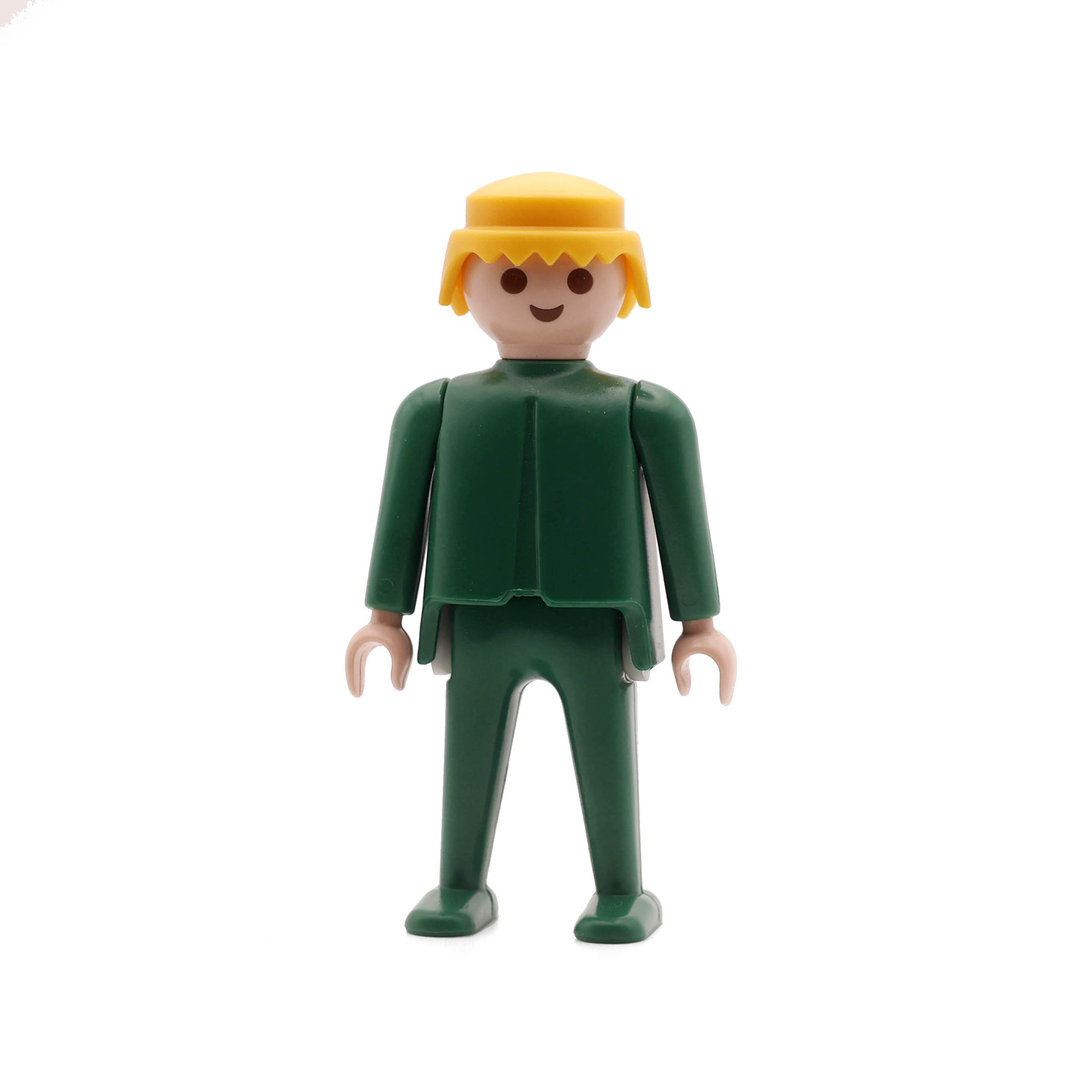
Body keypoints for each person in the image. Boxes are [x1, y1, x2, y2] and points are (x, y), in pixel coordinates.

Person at [345, 173, 736, 943]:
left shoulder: (645, 408)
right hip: (476, 614)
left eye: (581, 279)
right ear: (466, 282)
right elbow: (401, 513)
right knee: (467, 752)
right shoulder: (435, 406)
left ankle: (620, 891)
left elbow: (681, 517)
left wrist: (701, 624)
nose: (546, 298)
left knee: (606, 754)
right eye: (515, 278)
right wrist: (384, 616)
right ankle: (461, 885)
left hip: (596, 616)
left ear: (623, 285)